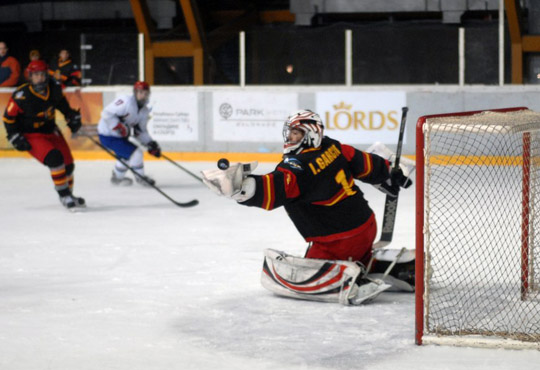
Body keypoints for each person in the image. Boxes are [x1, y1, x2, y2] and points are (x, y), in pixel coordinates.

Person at [201, 109, 413, 305]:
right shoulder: (333, 146)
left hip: (337, 240)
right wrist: (389, 172)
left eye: (296, 133)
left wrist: (240, 188)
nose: (290, 138)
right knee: (358, 253)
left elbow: (275, 189)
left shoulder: (299, 167)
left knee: (310, 270)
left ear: (311, 134)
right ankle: (390, 267)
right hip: (366, 227)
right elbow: (365, 163)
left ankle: (350, 281)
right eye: (289, 132)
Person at [2, 60, 85, 210]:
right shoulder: (22, 95)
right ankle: (64, 195)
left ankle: (69, 195)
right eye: (35, 75)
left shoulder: (54, 89)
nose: (39, 78)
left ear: (46, 75)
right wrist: (14, 136)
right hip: (31, 134)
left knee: (68, 165)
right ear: (30, 76)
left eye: (42, 74)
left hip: (51, 130)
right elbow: (8, 118)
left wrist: (72, 117)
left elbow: (63, 107)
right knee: (55, 159)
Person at [97, 81, 161, 186]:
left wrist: (150, 143)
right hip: (107, 134)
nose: (143, 96)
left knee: (125, 157)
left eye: (145, 93)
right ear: (135, 92)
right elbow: (106, 113)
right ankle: (140, 178)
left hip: (119, 137)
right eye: (140, 92)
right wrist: (117, 125)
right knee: (136, 153)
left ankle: (117, 179)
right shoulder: (125, 101)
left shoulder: (144, 111)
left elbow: (140, 131)